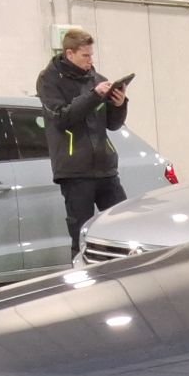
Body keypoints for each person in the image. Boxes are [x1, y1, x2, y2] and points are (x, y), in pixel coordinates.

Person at [37, 28, 130, 251]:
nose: (91, 61)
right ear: (69, 54)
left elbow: (113, 124)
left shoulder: (98, 80)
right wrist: (94, 96)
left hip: (106, 169)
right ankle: (82, 271)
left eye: (91, 55)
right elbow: (62, 118)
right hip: (75, 172)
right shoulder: (49, 80)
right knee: (81, 235)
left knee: (123, 227)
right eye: (85, 56)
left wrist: (120, 105)